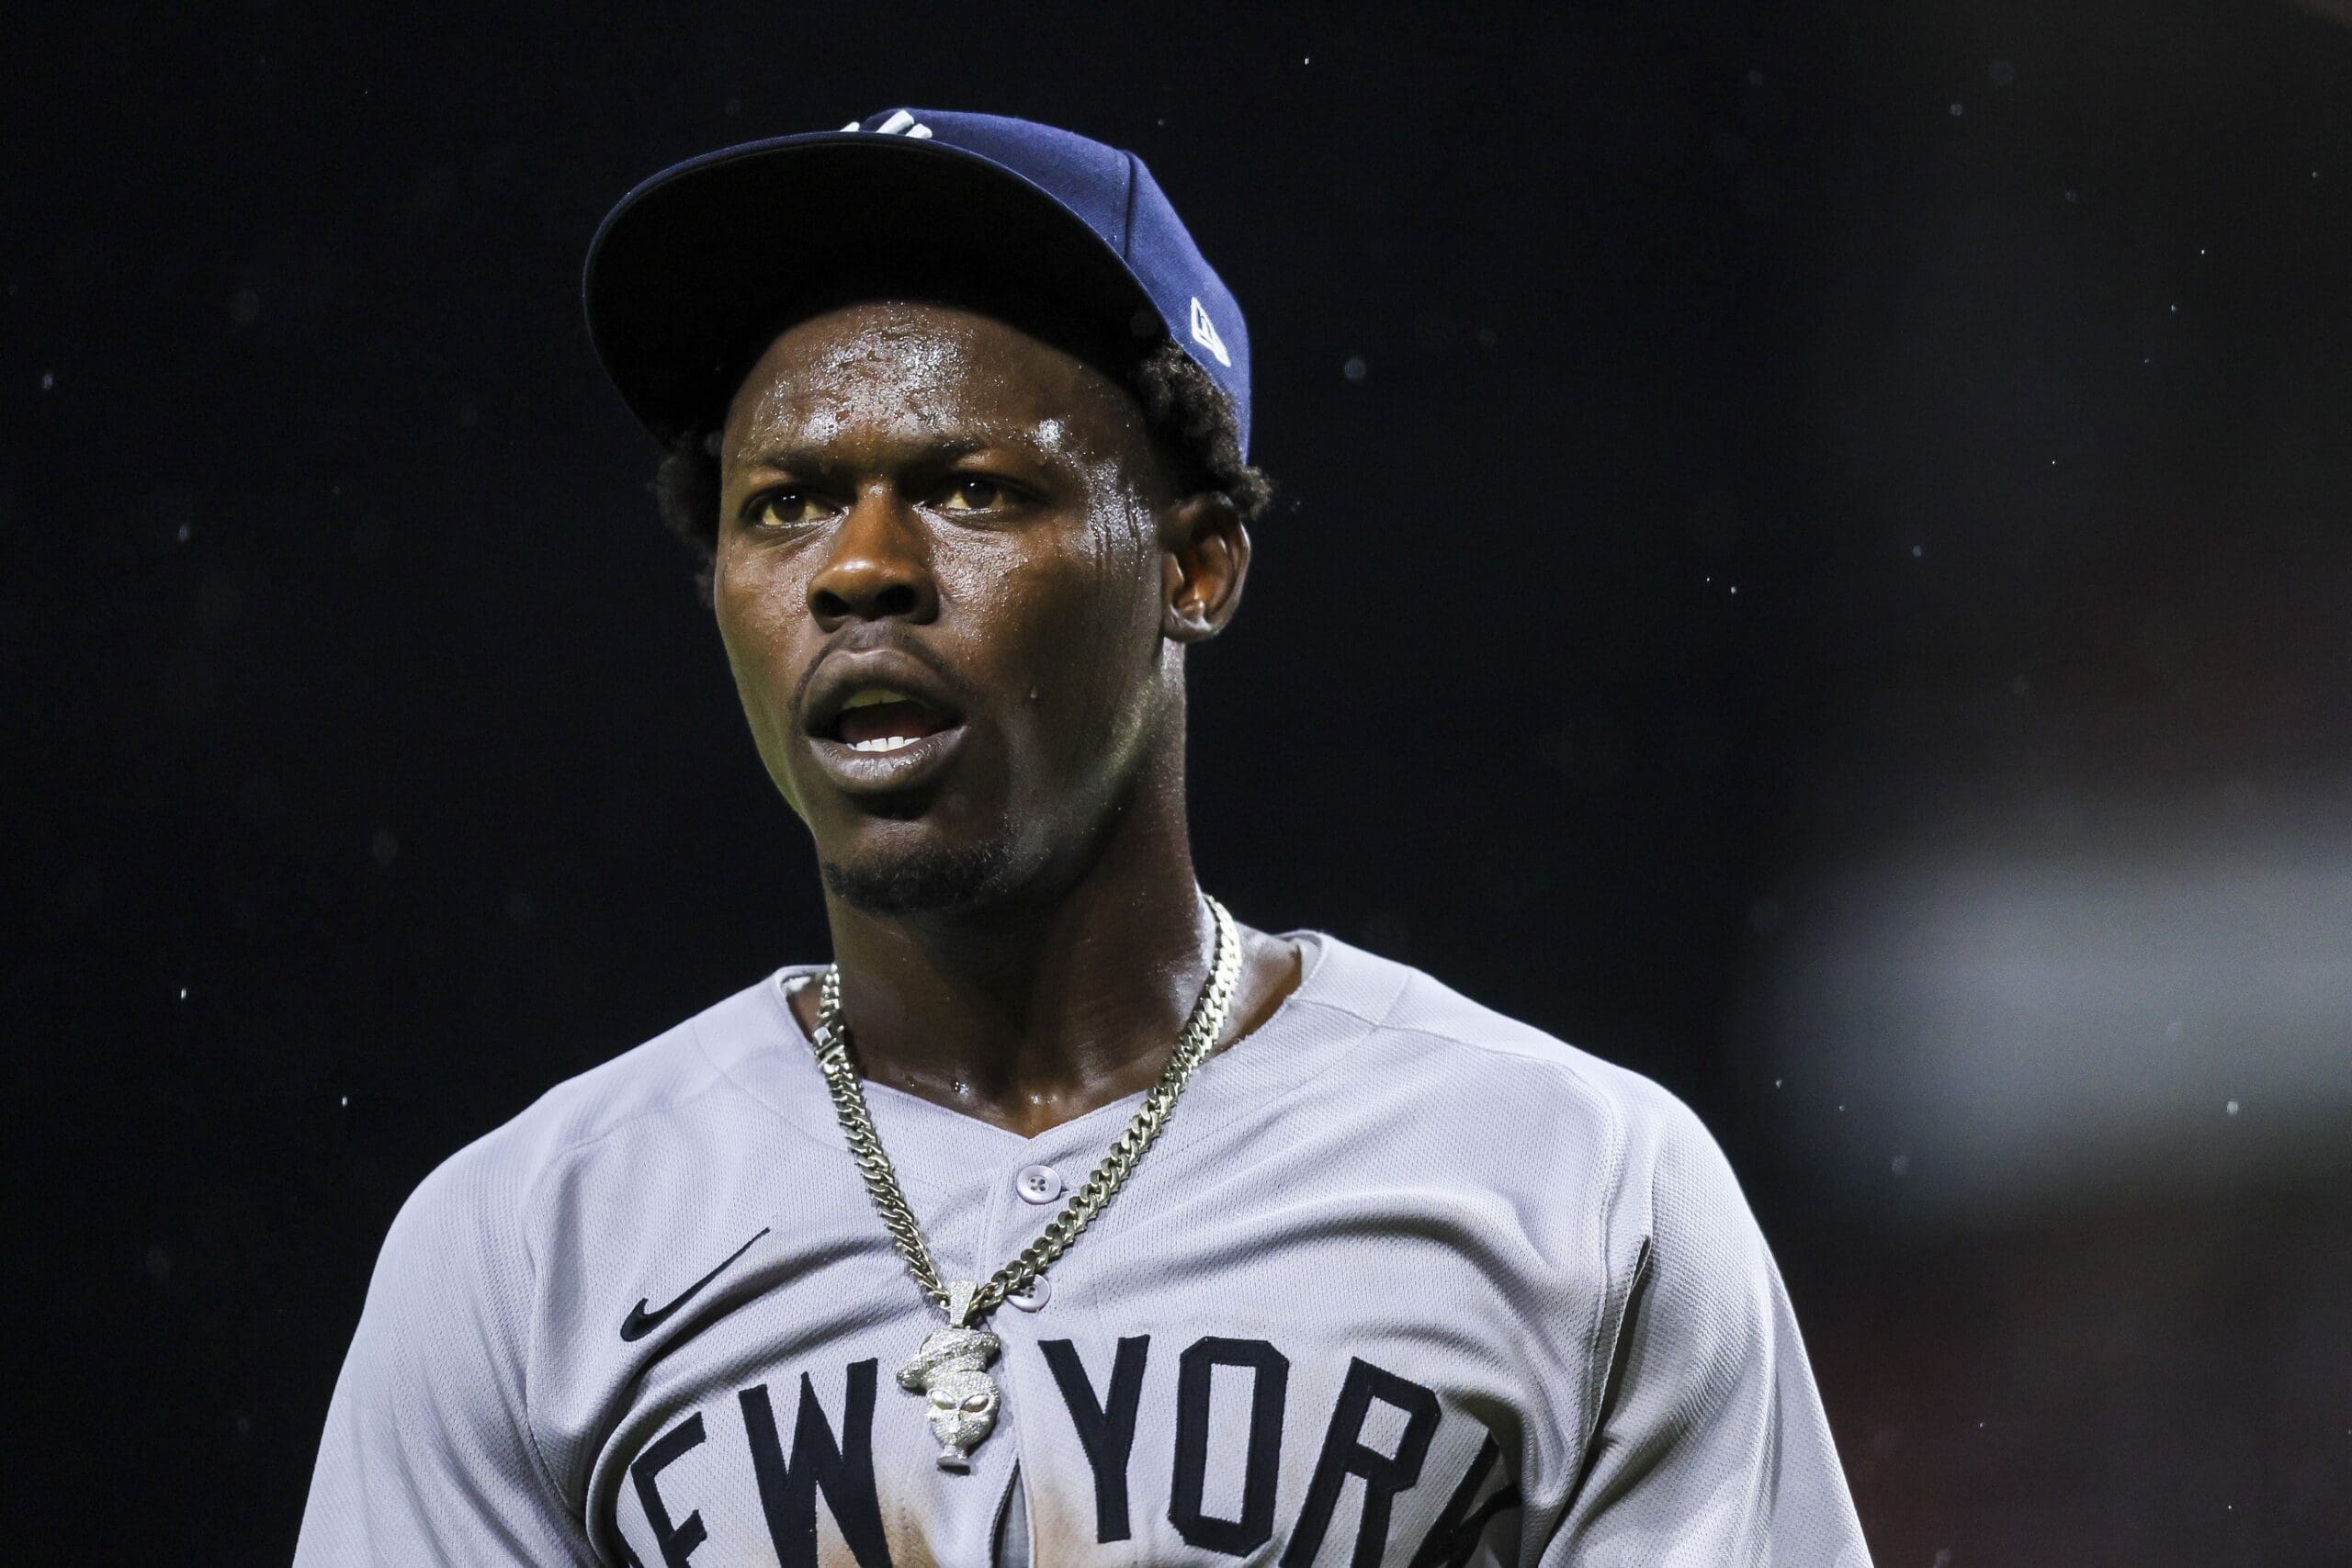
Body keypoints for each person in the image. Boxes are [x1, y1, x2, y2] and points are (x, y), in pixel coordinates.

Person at [295, 107, 1871, 1567]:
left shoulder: (1574, 1187)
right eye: (783, 504)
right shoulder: (526, 1247)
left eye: (972, 490)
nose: (858, 569)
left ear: (1196, 566)